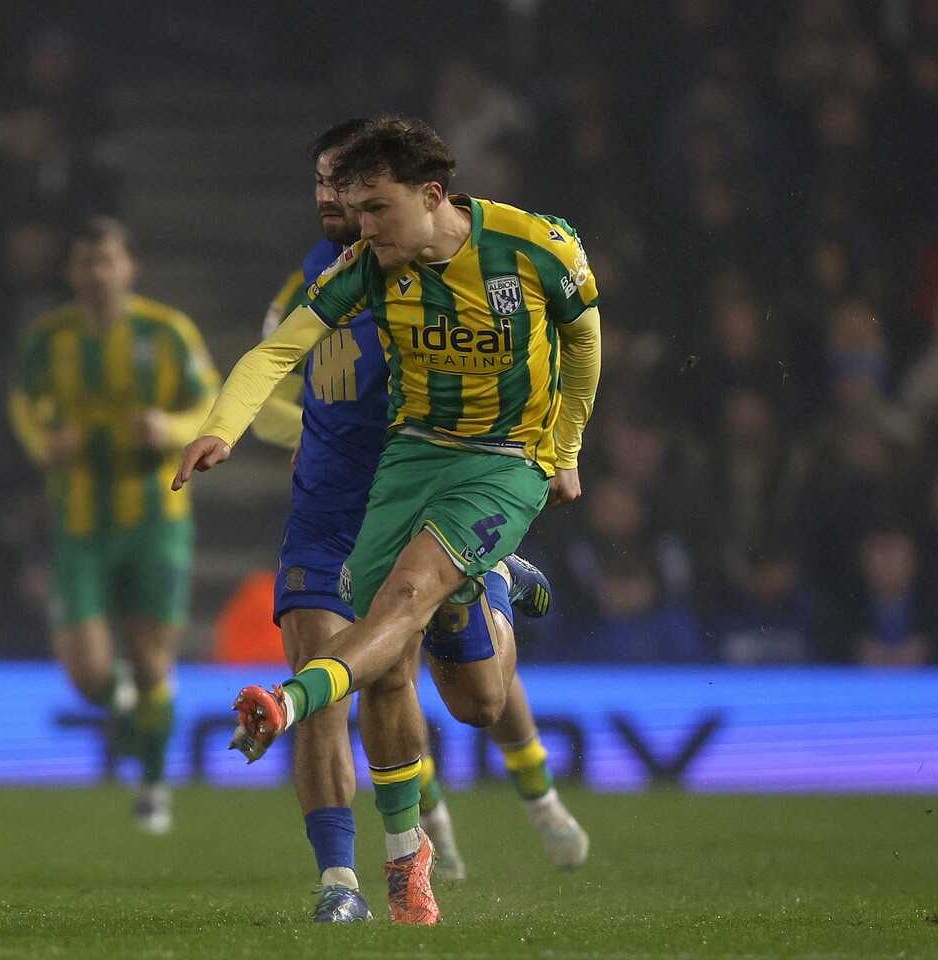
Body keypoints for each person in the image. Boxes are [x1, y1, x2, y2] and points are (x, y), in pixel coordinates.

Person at [175, 116, 601, 924]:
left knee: (402, 610)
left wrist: (566, 447)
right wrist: (224, 429)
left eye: (367, 203)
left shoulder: (534, 245)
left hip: (499, 462)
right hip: (395, 475)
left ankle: (292, 702)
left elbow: (583, 336)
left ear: (427, 194)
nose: (348, 216)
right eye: (334, 195)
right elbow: (275, 355)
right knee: (434, 682)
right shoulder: (353, 272)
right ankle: (388, 865)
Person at [11, 216, 220, 833]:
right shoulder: (50, 338)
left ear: (129, 267)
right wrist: (44, 441)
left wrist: (175, 430)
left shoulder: (168, 331)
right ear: (72, 272)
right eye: (85, 262)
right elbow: (24, 401)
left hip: (157, 517)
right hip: (79, 520)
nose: (97, 274)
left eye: (107, 260)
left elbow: (209, 398)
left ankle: (153, 788)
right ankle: (127, 708)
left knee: (154, 660)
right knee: (87, 672)